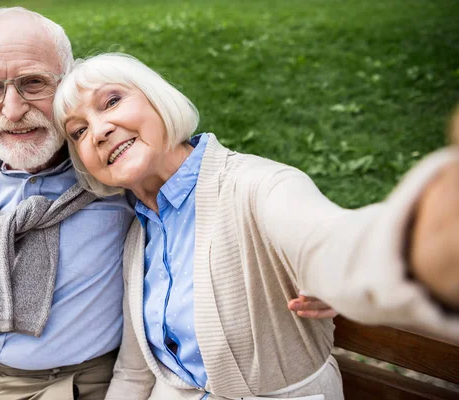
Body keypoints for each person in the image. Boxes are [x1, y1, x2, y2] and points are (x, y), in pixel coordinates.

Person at [0, 8, 332, 400]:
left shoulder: (116, 178)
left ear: (66, 80)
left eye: (33, 83)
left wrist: (326, 264)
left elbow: (235, 195)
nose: (12, 109)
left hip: (65, 386)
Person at [53, 53, 459, 399]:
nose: (100, 131)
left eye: (111, 102)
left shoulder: (259, 186)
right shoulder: (138, 231)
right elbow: (137, 371)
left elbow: (331, 243)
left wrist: (418, 245)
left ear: (159, 100)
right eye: (79, 131)